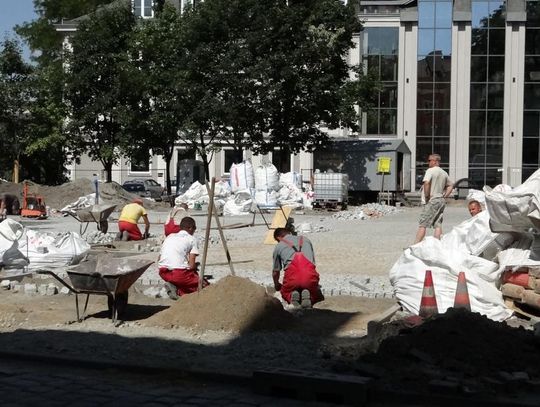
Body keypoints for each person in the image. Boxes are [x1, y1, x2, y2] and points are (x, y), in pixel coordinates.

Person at [158, 216, 208, 299]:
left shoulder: (170, 236)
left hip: (163, 272)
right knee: (203, 285)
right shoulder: (191, 239)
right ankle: (177, 290)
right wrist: (195, 266)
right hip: (178, 274)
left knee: (184, 281)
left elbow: (159, 258)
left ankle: (173, 285)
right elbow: (191, 266)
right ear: (191, 228)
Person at [272, 227, 323, 308]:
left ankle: (291, 295)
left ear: (278, 237)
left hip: (292, 278)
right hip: (309, 275)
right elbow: (312, 263)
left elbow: (275, 271)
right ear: (289, 233)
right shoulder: (306, 240)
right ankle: (309, 295)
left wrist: (276, 284)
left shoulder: (279, 246)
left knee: (285, 292)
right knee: (315, 292)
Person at [414, 154, 454, 244]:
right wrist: (445, 196)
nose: (428, 162)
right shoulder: (444, 173)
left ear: (436, 161)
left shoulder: (430, 170)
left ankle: (414, 245)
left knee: (423, 224)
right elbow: (451, 185)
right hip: (440, 200)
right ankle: (438, 245)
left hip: (432, 200)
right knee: (438, 224)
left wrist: (427, 196)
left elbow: (426, 182)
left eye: (430, 160)